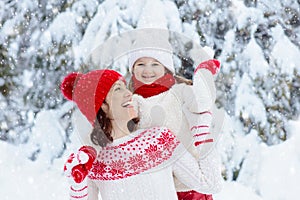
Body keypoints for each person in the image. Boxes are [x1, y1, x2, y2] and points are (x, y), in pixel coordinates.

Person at [60, 69, 222, 200]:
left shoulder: (159, 140)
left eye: (125, 87)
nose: (129, 93)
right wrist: (77, 186)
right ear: (101, 106)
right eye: (118, 89)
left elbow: (209, 183)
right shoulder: (93, 160)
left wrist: (202, 126)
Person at [127, 47, 223, 200]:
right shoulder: (133, 101)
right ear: (132, 69)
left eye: (155, 64)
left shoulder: (178, 92)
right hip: (159, 188)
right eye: (140, 64)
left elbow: (202, 102)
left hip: (190, 182)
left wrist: (203, 72)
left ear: (166, 68)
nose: (147, 70)